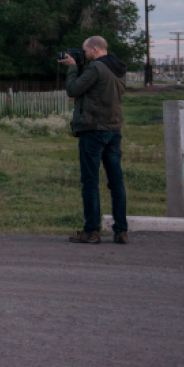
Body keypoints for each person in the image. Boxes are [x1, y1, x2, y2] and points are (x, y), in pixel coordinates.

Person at [58, 36, 129, 244]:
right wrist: (80, 66)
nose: (83, 55)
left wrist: (72, 67)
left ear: (95, 49)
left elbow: (73, 89)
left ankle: (91, 230)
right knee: (116, 182)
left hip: (94, 130)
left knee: (90, 182)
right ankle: (121, 231)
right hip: (113, 130)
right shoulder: (118, 68)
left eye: (85, 51)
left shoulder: (97, 68)